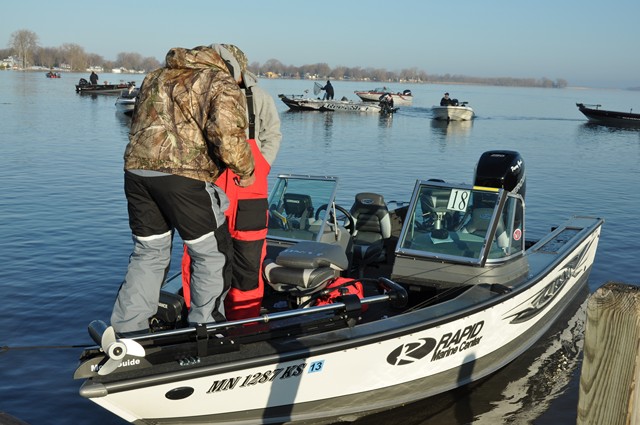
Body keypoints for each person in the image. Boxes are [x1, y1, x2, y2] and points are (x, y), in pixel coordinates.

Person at [111, 45, 255, 336]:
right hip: (185, 179)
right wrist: (246, 171)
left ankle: (128, 333)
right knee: (212, 254)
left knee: (148, 253)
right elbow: (226, 136)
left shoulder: (155, 76)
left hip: (137, 174)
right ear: (233, 67)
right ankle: (207, 329)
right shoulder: (219, 80)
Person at [181, 43, 282, 321]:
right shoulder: (200, 94)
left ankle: (245, 323)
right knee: (202, 257)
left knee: (248, 261)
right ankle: (200, 322)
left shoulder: (258, 97)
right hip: (211, 187)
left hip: (250, 190)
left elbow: (273, 134)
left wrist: (261, 167)